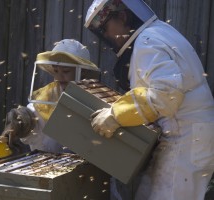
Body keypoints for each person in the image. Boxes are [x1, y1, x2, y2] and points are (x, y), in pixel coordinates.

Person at [84, 0, 214, 199]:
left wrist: (115, 115)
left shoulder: (147, 41)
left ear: (123, 17)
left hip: (186, 138)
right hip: (187, 135)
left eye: (105, 28)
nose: (107, 35)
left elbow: (165, 95)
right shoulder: (160, 32)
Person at [1, 39, 99, 154]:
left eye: (66, 71)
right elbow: (34, 114)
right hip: (45, 161)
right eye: (56, 71)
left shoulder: (94, 96)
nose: (58, 77)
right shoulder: (48, 94)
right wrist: (22, 118)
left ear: (83, 72)